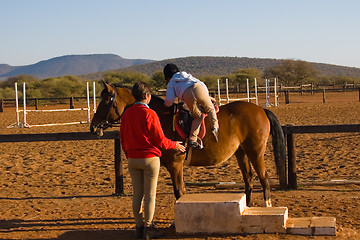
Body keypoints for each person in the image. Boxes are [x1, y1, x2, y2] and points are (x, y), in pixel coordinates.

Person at [120, 82, 186, 239]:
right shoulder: (150, 114)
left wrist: (129, 155)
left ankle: (139, 228)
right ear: (147, 96)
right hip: (149, 159)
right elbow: (160, 140)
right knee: (150, 195)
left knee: (137, 195)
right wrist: (175, 145)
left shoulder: (126, 114)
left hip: (132, 159)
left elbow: (123, 140)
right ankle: (149, 228)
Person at [163, 63, 219, 149]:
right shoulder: (187, 76)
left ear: (168, 76)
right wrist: (206, 96)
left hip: (186, 94)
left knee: (197, 116)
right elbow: (201, 84)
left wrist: (166, 104)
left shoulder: (172, 83)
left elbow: (169, 100)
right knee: (210, 109)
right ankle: (214, 127)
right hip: (199, 88)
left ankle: (192, 139)